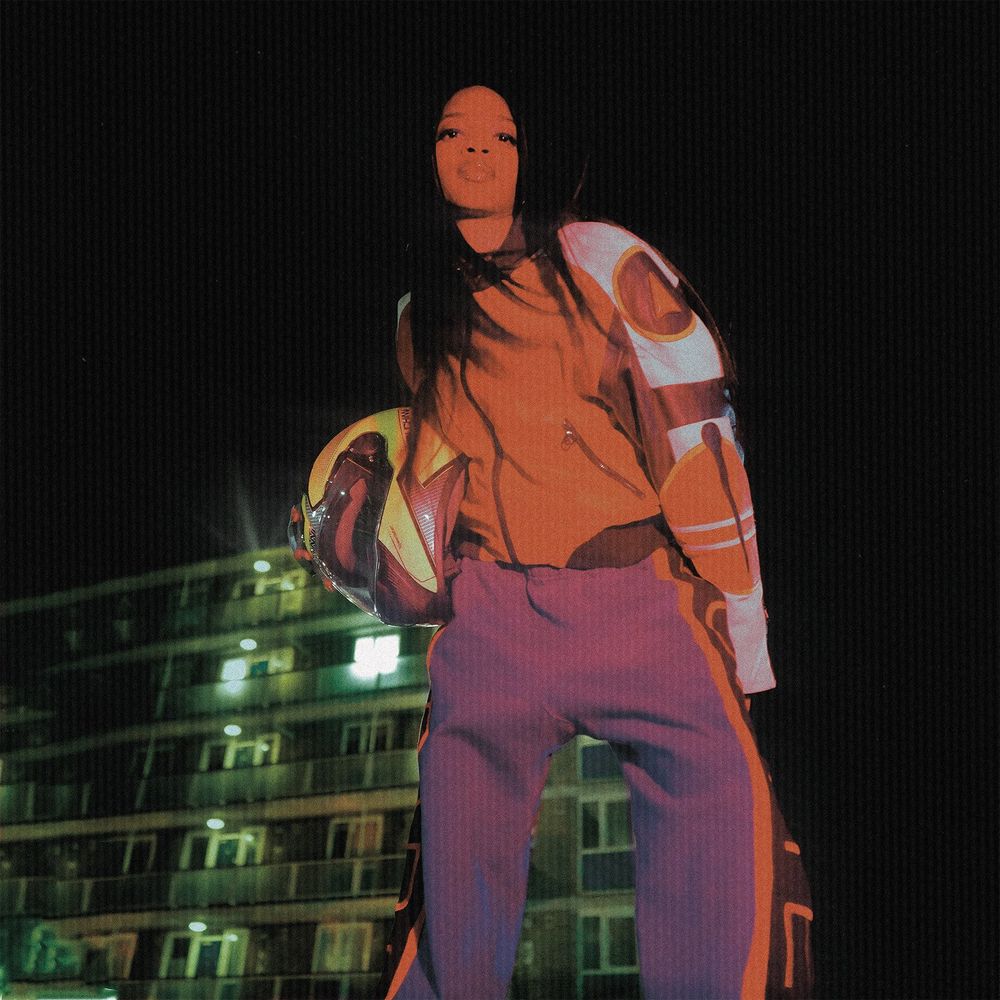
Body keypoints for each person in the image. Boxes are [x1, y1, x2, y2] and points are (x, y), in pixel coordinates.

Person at [380, 85, 813, 1000]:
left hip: (638, 598)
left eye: (502, 135)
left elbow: (697, 433)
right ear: (426, 154)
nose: (477, 150)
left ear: (531, 153)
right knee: (449, 899)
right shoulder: (423, 316)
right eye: (453, 132)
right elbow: (431, 480)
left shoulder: (601, 258)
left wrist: (742, 629)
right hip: (493, 617)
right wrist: (386, 568)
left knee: (727, 854)